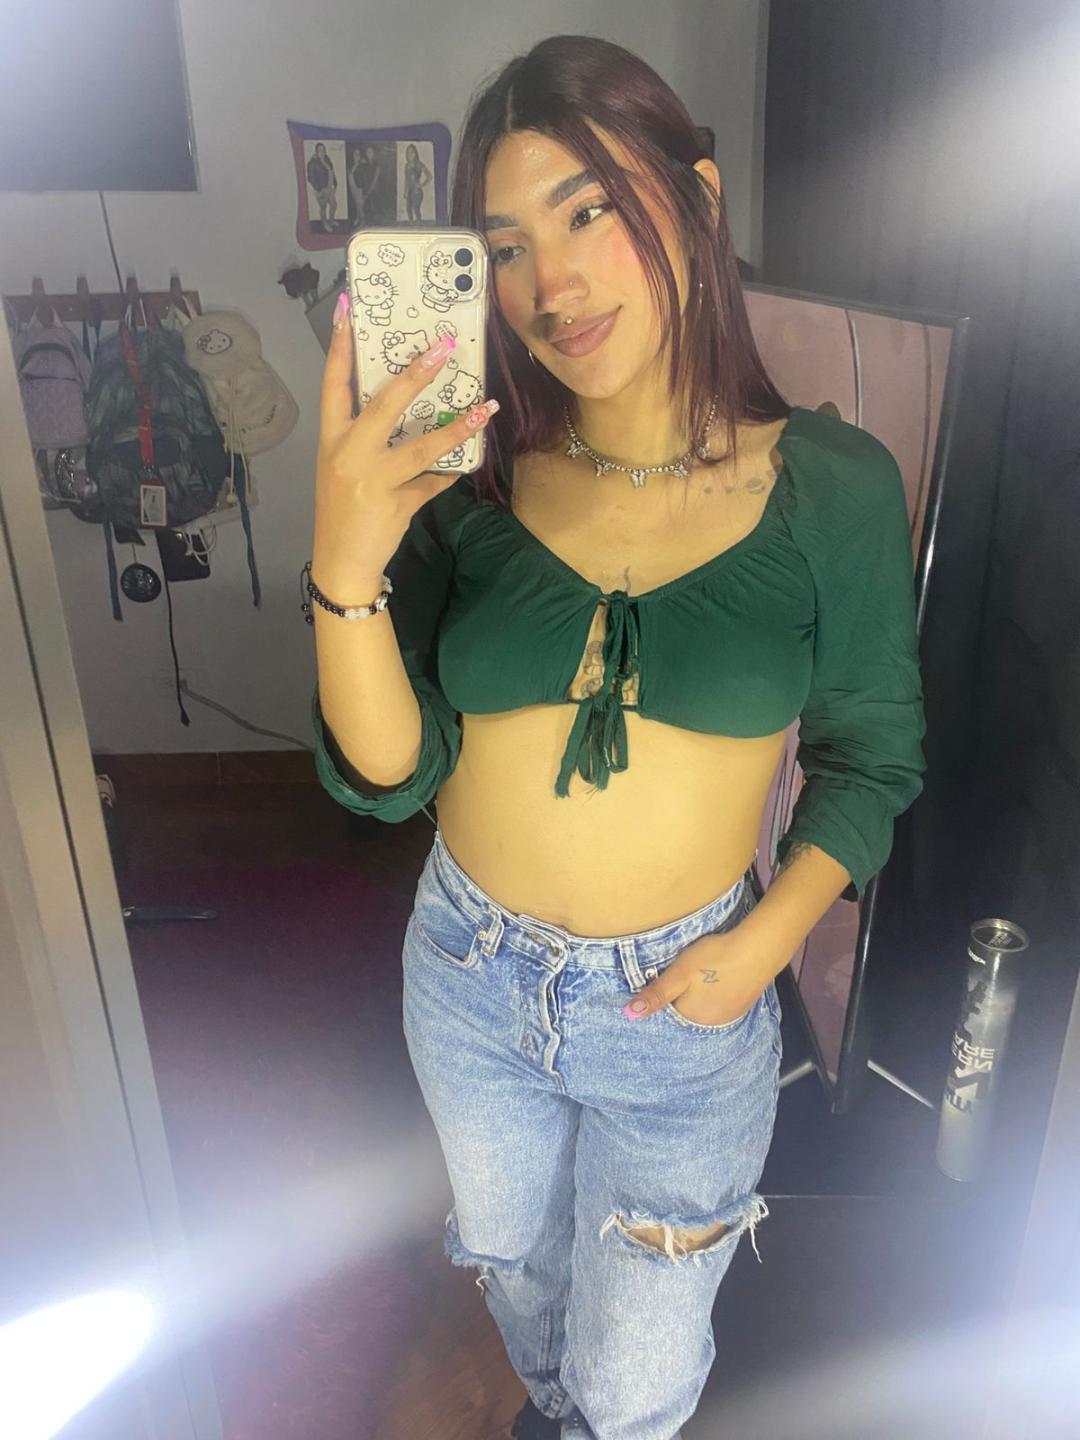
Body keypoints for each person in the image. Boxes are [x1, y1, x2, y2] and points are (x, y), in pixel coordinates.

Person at [308, 34, 926, 1440]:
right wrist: (345, 559)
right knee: (515, 1272)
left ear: (696, 196)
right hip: (469, 976)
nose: (552, 285)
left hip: (680, 1010)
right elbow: (391, 774)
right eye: (505, 248)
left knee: (637, 1384)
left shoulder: (831, 487)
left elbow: (873, 757)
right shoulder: (469, 481)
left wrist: (764, 947)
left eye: (588, 208)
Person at [306, 141, 338, 228]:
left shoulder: (327, 159)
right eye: (320, 150)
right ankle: (324, 224)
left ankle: (331, 221)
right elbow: (310, 178)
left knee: (333, 205)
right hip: (320, 190)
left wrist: (335, 184)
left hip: (329, 188)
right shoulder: (312, 163)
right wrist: (319, 189)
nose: (322, 152)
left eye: (323, 150)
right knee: (323, 207)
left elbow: (331, 171)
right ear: (316, 152)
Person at [403, 141, 432, 221]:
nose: (410, 154)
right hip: (409, 191)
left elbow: (429, 176)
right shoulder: (406, 166)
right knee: (408, 210)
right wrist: (405, 191)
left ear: (415, 153)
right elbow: (406, 179)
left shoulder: (419, 164)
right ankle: (411, 226)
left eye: (412, 152)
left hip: (417, 192)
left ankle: (419, 225)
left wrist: (421, 185)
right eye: (408, 152)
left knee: (416, 210)